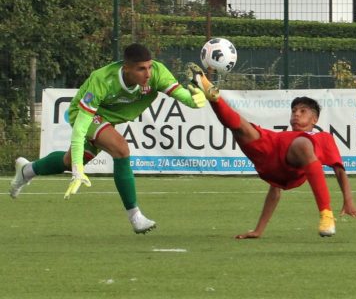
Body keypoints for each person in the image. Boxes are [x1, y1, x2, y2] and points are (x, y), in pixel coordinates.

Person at [9, 43, 207, 234]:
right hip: (83, 114)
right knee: (121, 149)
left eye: (149, 67)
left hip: (108, 119)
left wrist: (198, 97)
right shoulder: (102, 80)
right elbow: (80, 129)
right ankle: (135, 216)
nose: (148, 73)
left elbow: (186, 98)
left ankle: (27, 170)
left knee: (68, 161)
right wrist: (78, 170)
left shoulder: (157, 73)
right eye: (141, 69)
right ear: (126, 68)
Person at [188, 64, 356, 238]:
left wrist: (348, 200)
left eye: (303, 111)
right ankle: (212, 95)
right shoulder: (284, 135)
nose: (296, 114)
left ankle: (326, 215)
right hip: (271, 150)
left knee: (303, 143)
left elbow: (339, 170)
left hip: (293, 160)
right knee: (241, 128)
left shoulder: (323, 137)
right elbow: (274, 191)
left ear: (315, 119)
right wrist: (258, 230)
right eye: (294, 110)